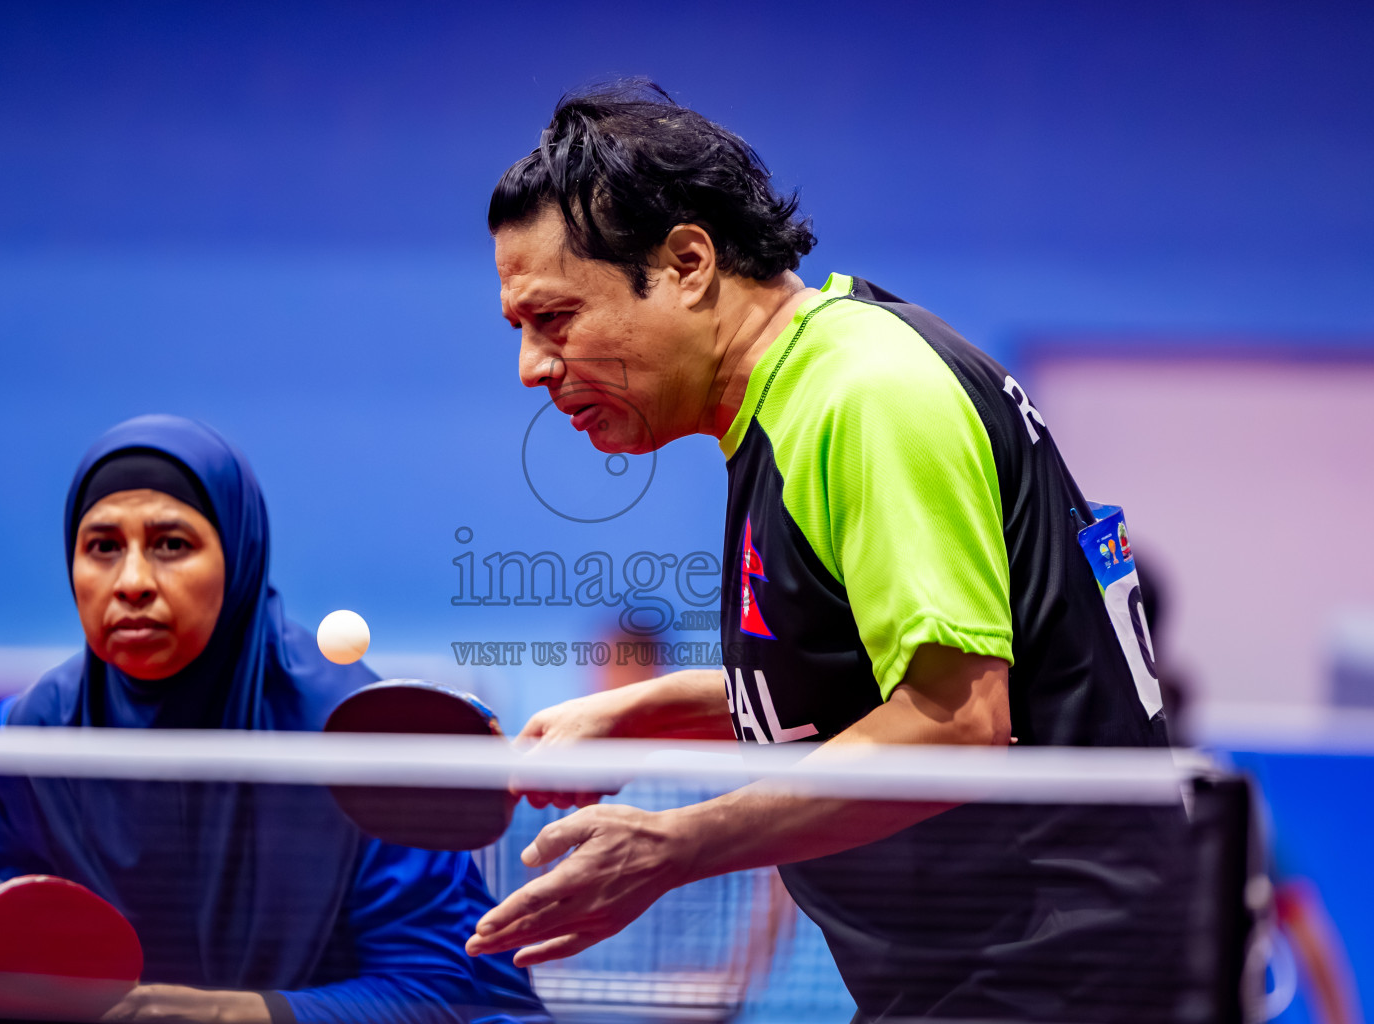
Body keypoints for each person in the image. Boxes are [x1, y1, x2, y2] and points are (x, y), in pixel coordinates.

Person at [465, 83, 1185, 1021]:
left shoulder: (865, 394)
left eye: (555, 318)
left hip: (1056, 978)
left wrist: (674, 846)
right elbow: (854, 688)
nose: (531, 365)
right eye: (520, 329)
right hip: (981, 977)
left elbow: (955, 725)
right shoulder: (792, 403)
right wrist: (651, 712)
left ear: (687, 262)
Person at [0, 414, 548, 1024]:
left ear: (239, 557)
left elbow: (440, 995)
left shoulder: (366, 739)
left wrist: (240, 1014)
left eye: (172, 544)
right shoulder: (28, 742)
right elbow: (40, 965)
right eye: (103, 547)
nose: (133, 581)